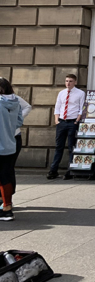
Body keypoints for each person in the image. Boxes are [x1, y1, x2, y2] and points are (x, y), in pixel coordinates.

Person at [47, 74, 85, 180]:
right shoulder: (62, 93)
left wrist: (77, 121)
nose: (68, 83)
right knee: (59, 146)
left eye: (71, 81)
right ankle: (53, 170)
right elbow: (57, 107)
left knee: (71, 147)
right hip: (61, 122)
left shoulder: (80, 93)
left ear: (75, 82)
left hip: (72, 122)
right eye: (67, 81)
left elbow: (82, 108)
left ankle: (70, 170)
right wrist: (56, 120)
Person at [0, 78, 23, 221]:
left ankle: (6, 210)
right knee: (6, 176)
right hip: (10, 144)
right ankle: (7, 207)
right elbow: (19, 122)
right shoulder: (16, 103)